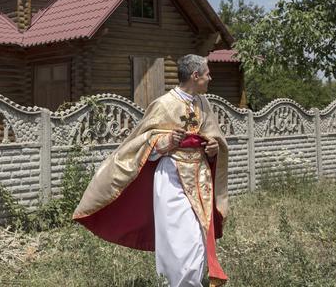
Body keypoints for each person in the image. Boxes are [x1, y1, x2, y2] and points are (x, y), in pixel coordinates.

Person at [73, 54, 229, 287]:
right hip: (172, 176)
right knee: (177, 237)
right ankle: (175, 282)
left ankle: (190, 282)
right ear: (195, 76)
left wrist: (214, 147)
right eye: (207, 74)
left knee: (197, 235)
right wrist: (164, 141)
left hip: (200, 177)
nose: (210, 77)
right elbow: (141, 140)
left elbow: (214, 136)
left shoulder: (203, 104)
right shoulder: (164, 104)